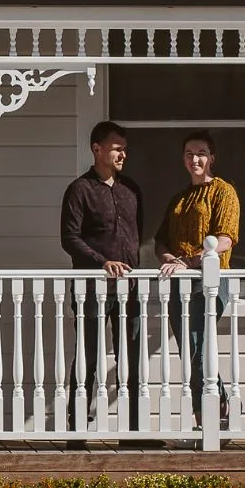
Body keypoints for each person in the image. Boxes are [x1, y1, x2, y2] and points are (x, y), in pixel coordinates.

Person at [60, 120, 144, 430]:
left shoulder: (131, 190)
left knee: (130, 357)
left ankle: (133, 429)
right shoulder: (79, 190)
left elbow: (136, 236)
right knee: (88, 357)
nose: (123, 154)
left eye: (125, 149)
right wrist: (102, 262)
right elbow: (69, 238)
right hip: (91, 289)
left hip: (130, 289)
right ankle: (78, 427)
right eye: (117, 148)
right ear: (97, 149)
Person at [156, 132, 240, 429]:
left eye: (201, 153)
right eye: (189, 153)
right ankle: (202, 417)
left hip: (210, 281)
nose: (195, 159)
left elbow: (225, 240)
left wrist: (188, 262)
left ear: (211, 158)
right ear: (183, 159)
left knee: (201, 348)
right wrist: (169, 258)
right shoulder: (179, 199)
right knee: (188, 352)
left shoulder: (223, 191)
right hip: (179, 283)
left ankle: (218, 409)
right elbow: (161, 240)